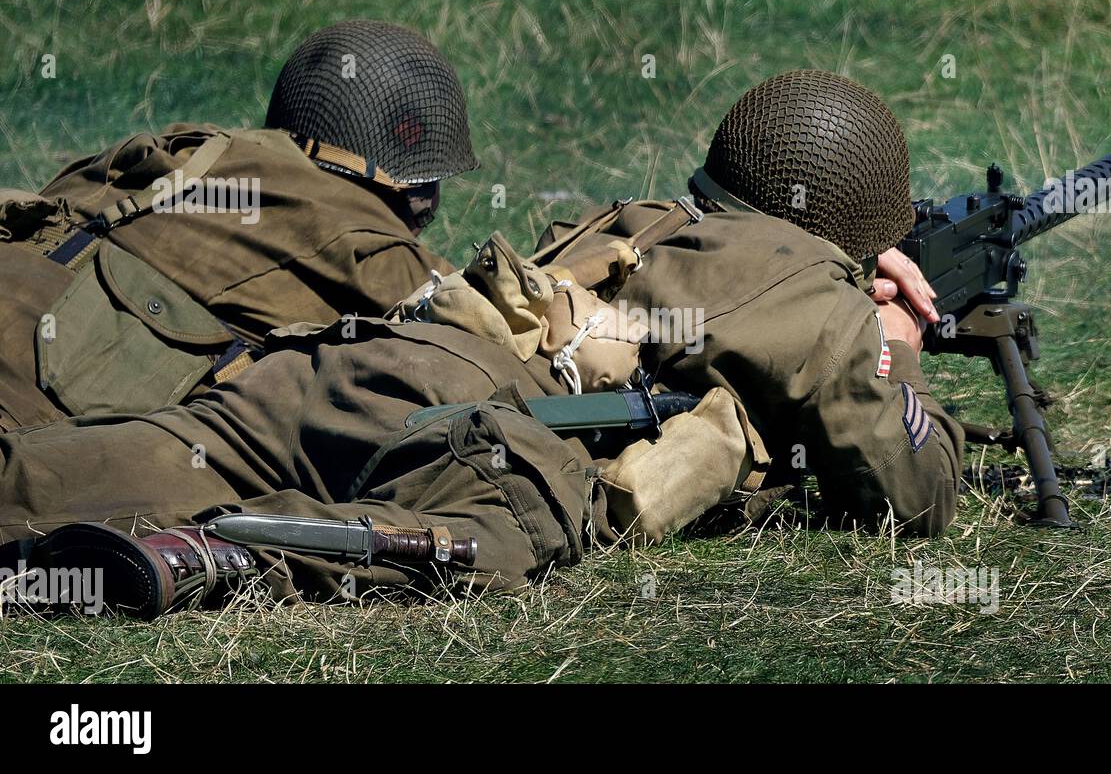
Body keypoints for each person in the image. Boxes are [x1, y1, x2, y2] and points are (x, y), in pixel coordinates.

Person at [0, 71, 961, 618]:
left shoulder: (630, 222)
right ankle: (212, 557)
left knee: (91, 467)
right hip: (473, 426)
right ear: (864, 230)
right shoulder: (819, 294)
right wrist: (895, 343)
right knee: (516, 520)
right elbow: (907, 495)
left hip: (346, 361)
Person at [535, 69, 963, 536]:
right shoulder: (827, 322)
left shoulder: (620, 230)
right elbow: (924, 502)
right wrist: (896, 347)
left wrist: (847, 264)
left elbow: (749, 257)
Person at [0, 20, 476, 431]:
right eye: (424, 186)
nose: (431, 202)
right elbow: (489, 348)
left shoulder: (185, 148)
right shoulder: (366, 246)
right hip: (36, 420)